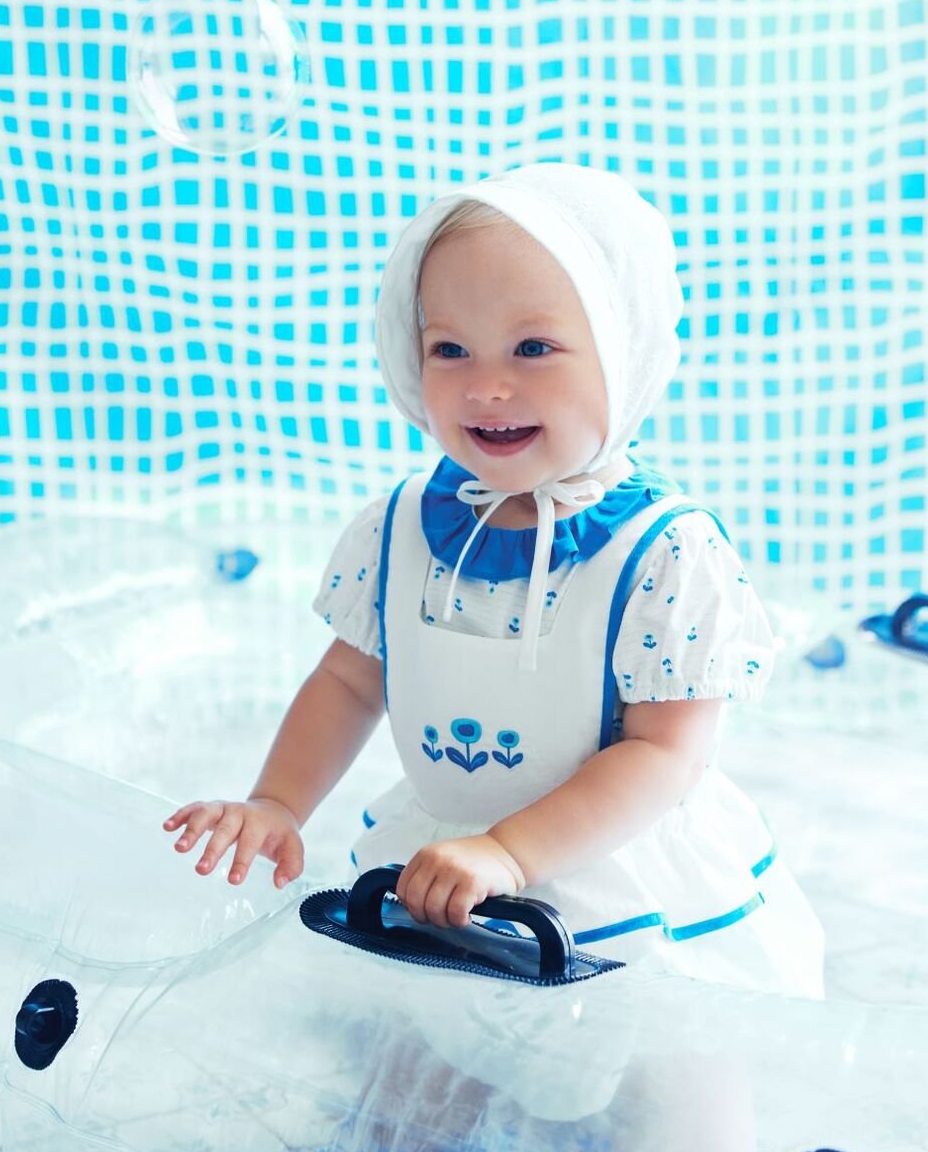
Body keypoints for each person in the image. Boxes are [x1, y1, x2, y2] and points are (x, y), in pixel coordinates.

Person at [163, 162, 824, 1001]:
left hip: (606, 869)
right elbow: (349, 681)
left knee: (657, 1062)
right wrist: (278, 803)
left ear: (624, 354)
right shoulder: (402, 527)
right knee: (426, 1041)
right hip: (444, 856)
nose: (485, 386)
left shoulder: (662, 554)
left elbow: (667, 753)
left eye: (533, 348)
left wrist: (509, 851)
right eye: (450, 349)